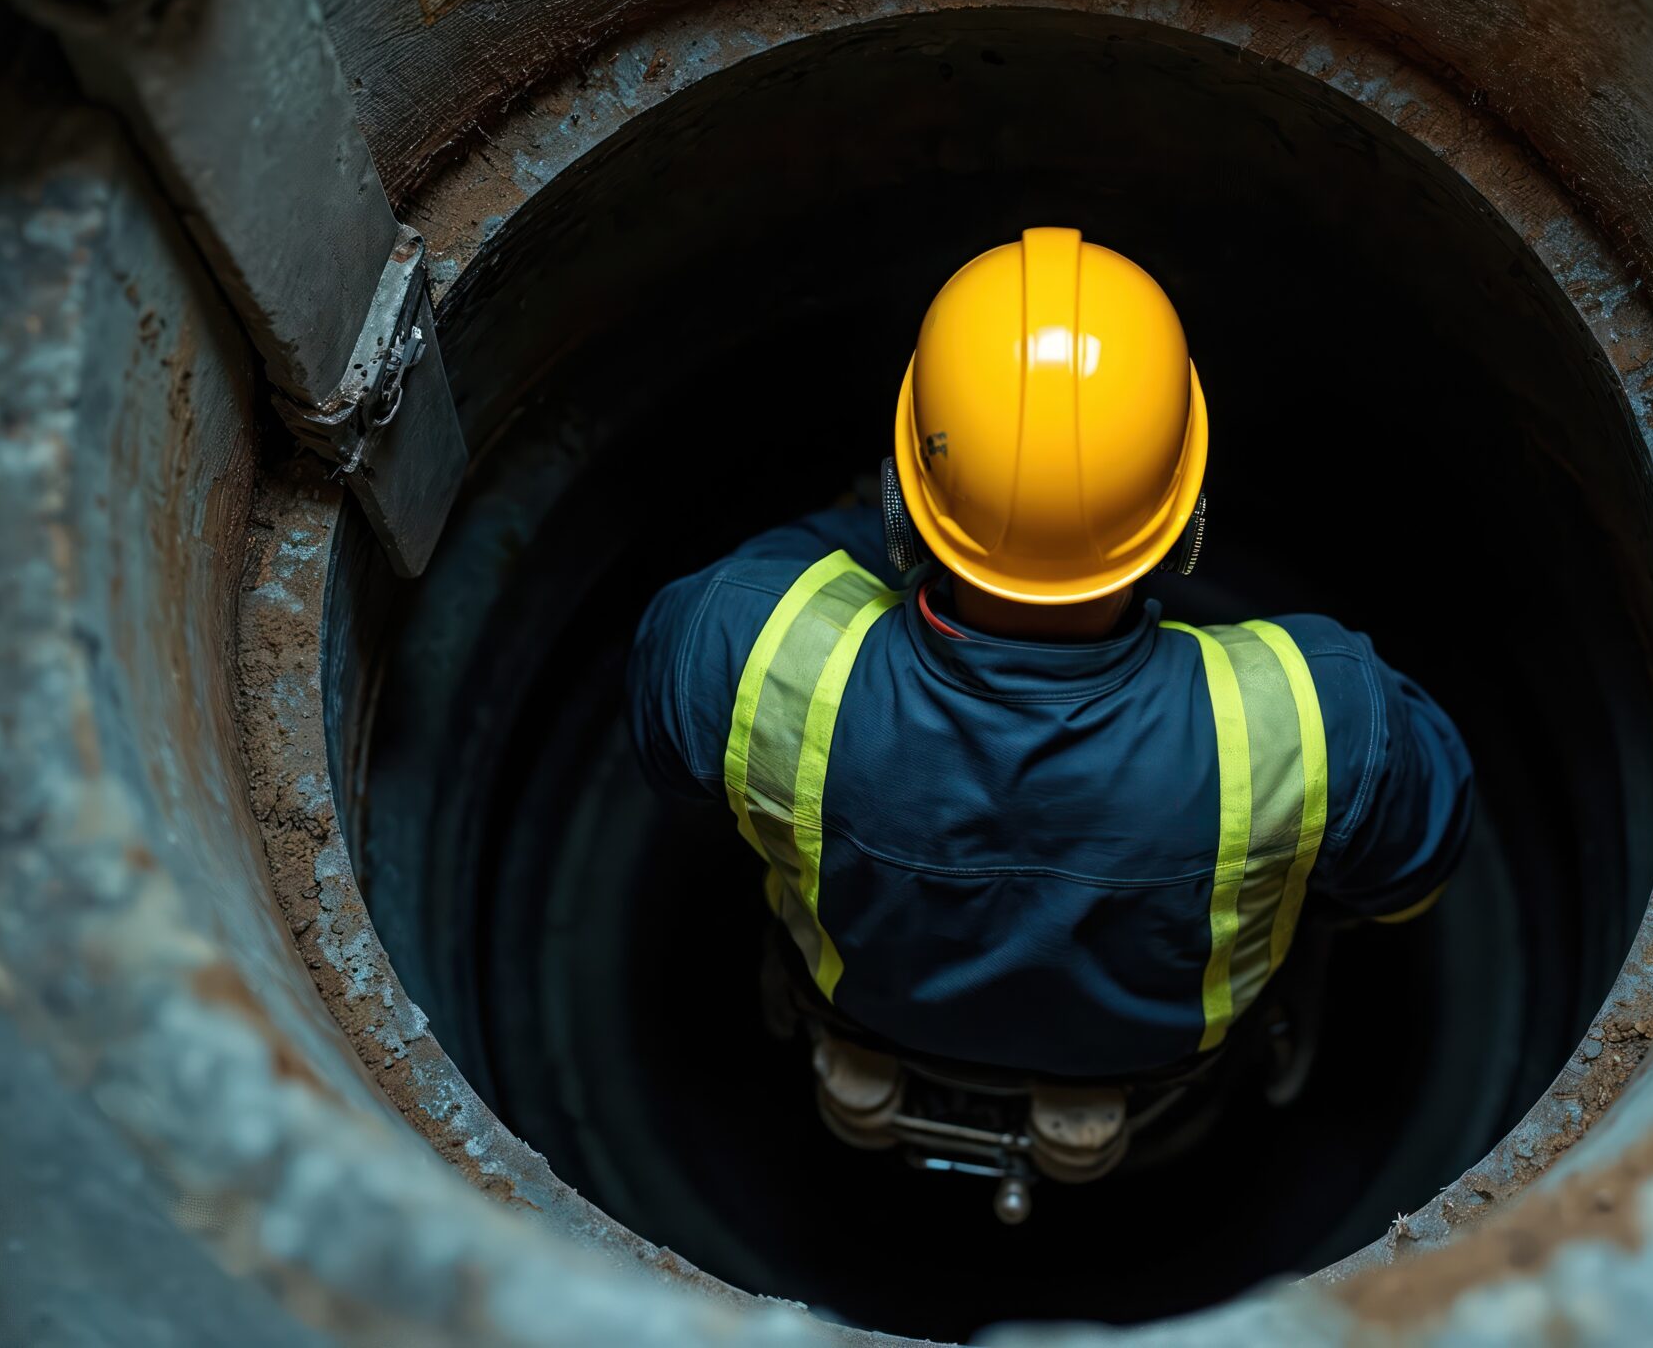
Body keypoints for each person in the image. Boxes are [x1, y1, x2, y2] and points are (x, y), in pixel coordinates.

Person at [629, 227, 1473, 1081]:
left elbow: (672, 758)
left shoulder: (737, 643)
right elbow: (1413, 877)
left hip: (857, 1012)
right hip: (1162, 1067)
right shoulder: (1322, 713)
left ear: (903, 496)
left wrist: (862, 531)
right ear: (1185, 522)